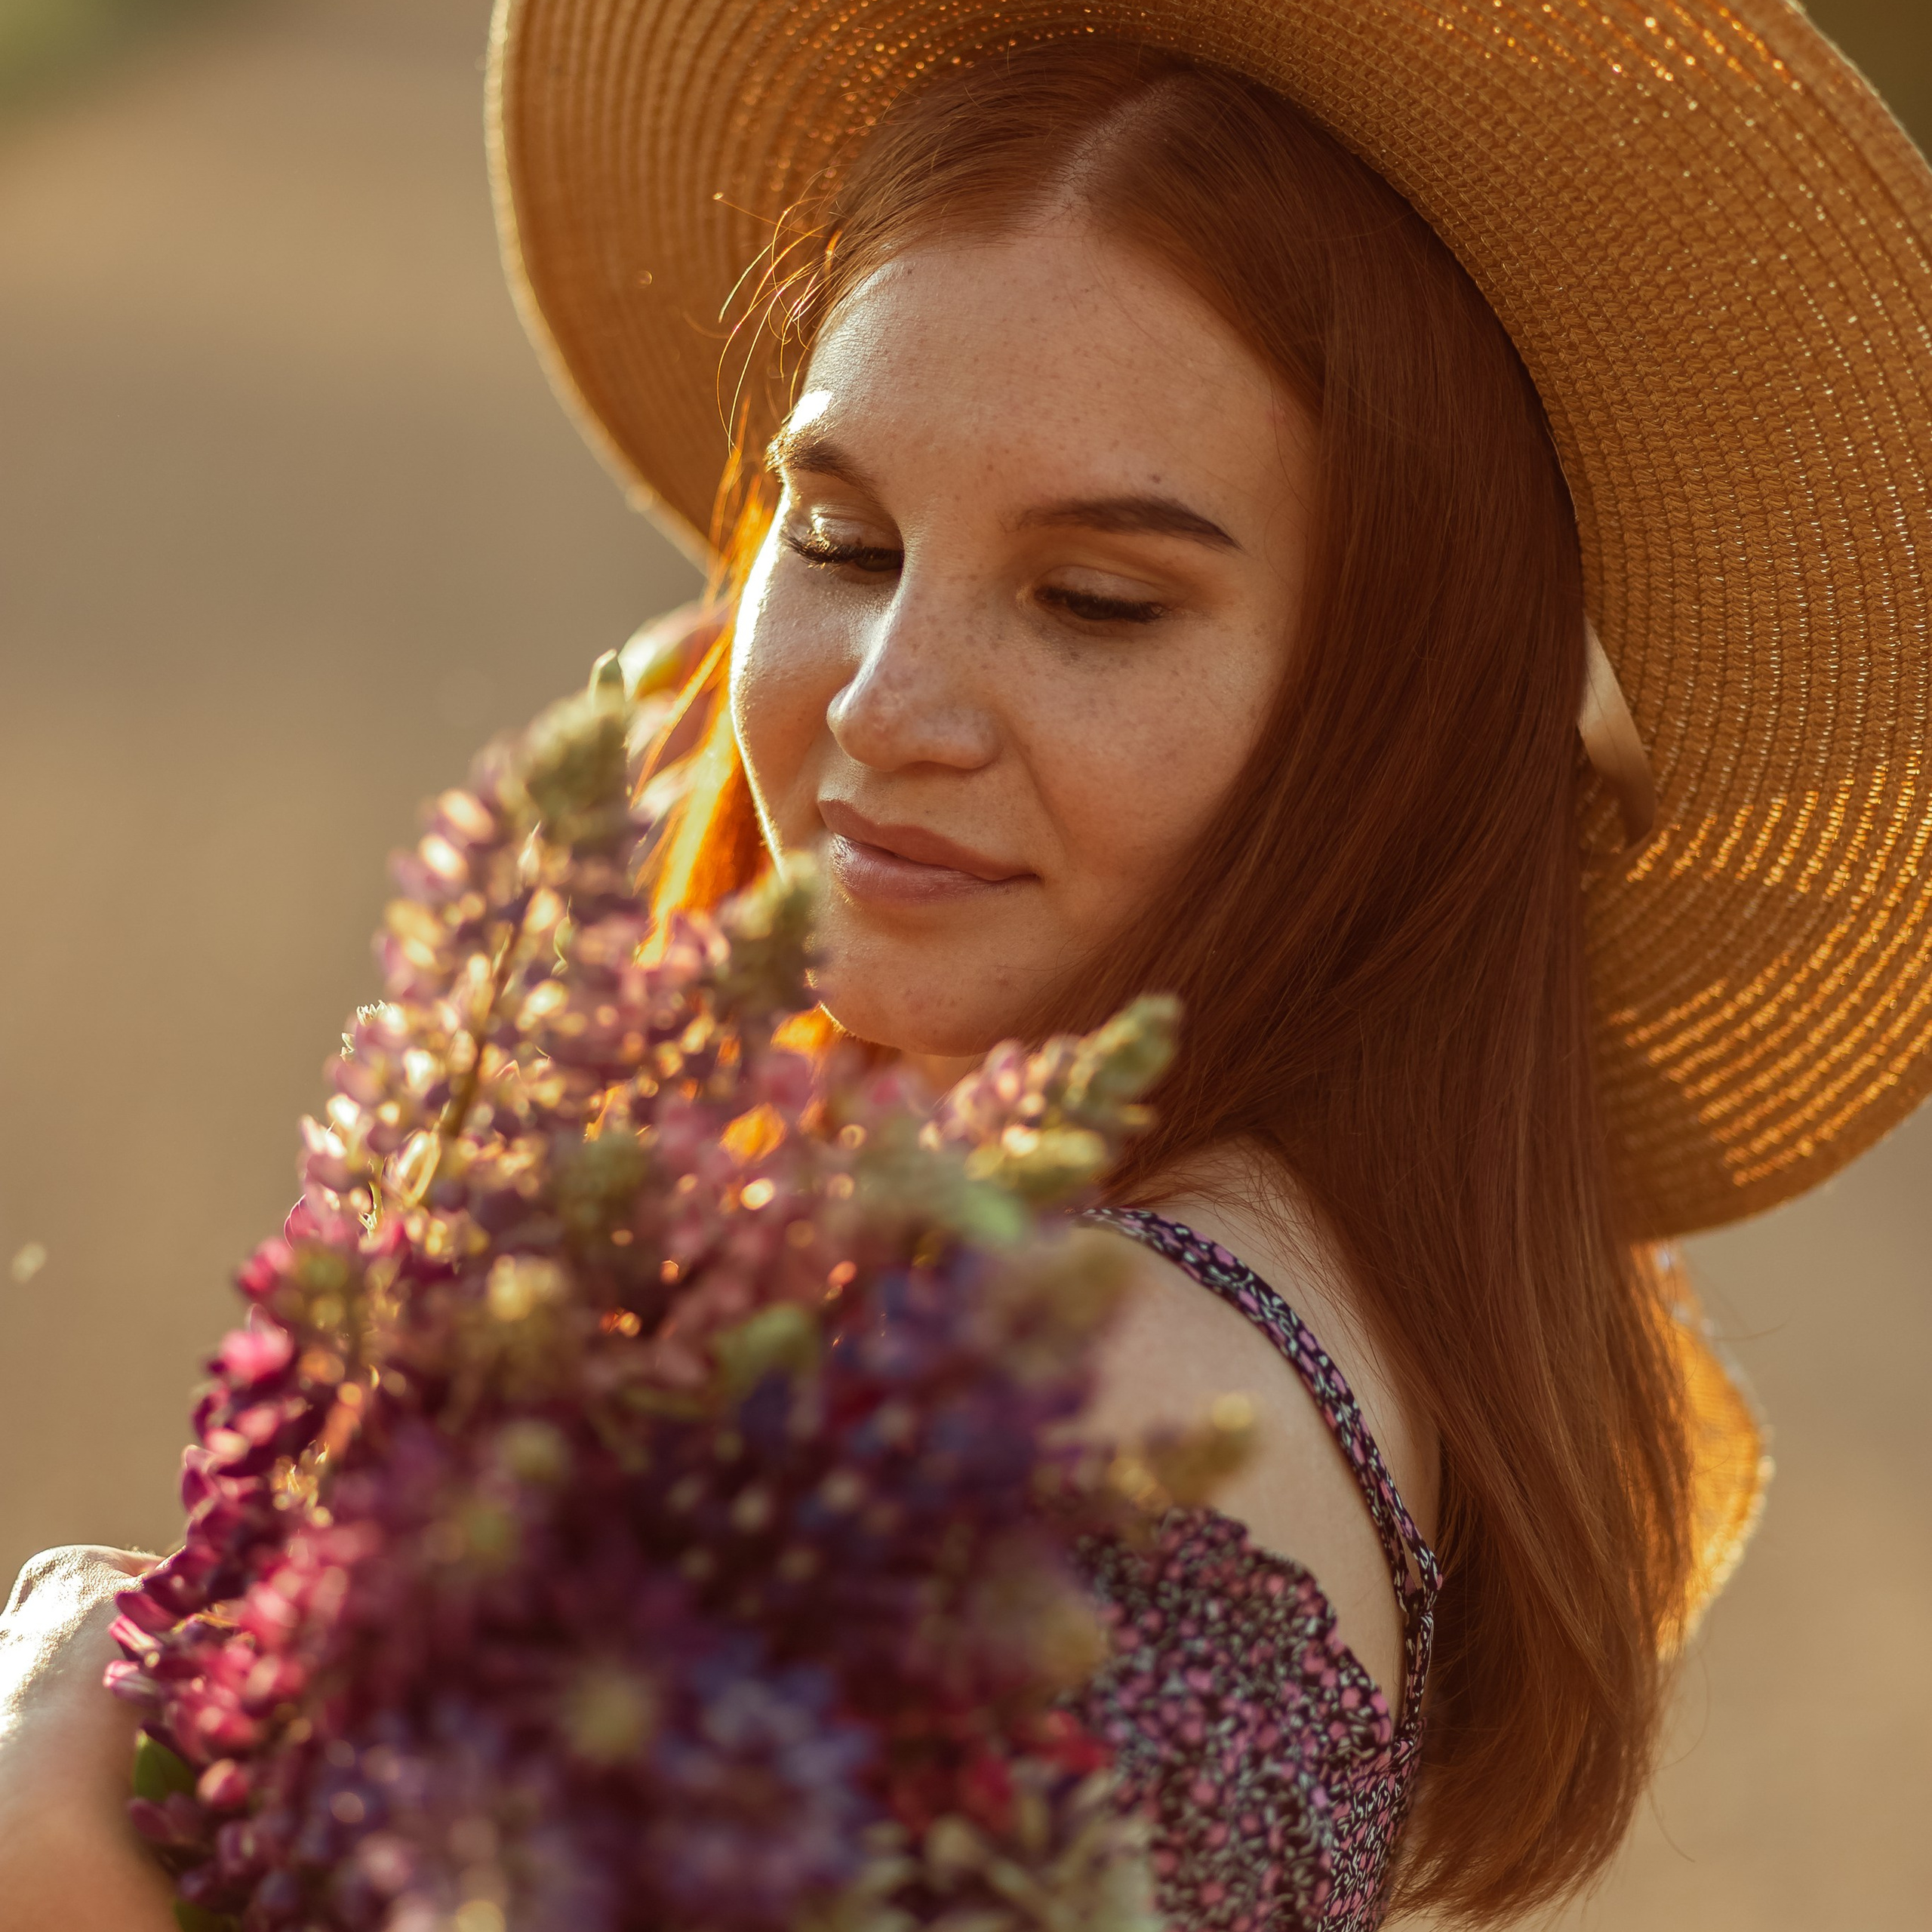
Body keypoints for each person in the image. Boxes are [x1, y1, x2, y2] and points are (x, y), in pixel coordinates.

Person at [8, 1, 1931, 1925]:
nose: (888, 704)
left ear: (1394, 716)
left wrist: (53, 1835)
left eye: (1094, 599)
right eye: (838, 537)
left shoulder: (1090, 1374)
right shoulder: (1189, 1279)